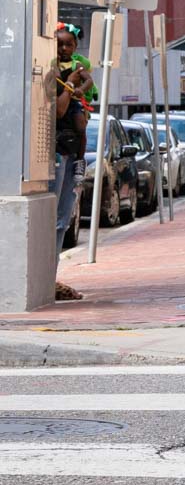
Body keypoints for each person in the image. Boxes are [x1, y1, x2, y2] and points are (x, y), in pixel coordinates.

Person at [52, 24, 90, 301]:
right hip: (56, 152)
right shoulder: (54, 73)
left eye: (69, 45)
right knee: (54, 219)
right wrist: (71, 86)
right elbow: (60, 109)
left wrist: (81, 87)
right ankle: (46, 278)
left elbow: (87, 87)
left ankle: (50, 276)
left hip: (72, 152)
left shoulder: (77, 67)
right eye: (60, 44)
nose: (65, 49)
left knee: (63, 220)